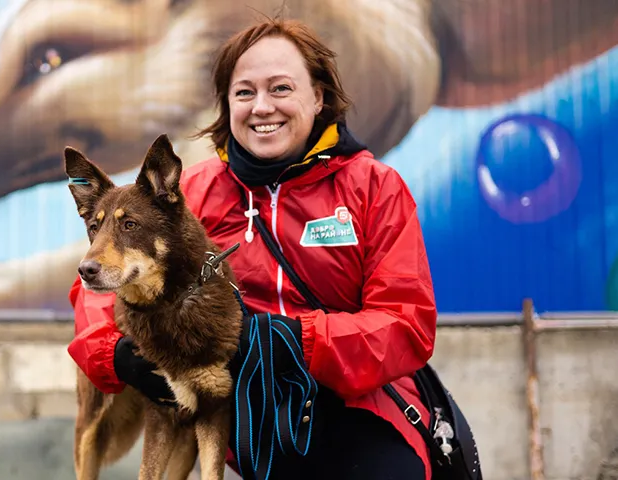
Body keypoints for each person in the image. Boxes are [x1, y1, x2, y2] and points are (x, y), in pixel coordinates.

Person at [66, 17, 438, 480]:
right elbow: (101, 287)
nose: (262, 107)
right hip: (239, 417)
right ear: (226, 104)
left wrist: (293, 343)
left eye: (281, 88)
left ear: (318, 97)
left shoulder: (374, 188)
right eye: (244, 92)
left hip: (357, 410)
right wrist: (117, 355)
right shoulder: (193, 193)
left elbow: (406, 324)